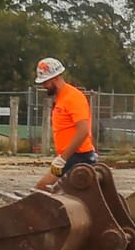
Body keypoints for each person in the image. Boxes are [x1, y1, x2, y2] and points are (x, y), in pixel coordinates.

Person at [35, 56, 96, 190]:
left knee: (41, 190)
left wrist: (63, 159)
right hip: (69, 157)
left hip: (78, 157)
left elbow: (83, 130)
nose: (44, 86)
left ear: (56, 78)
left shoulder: (73, 98)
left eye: (46, 82)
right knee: (52, 192)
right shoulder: (61, 99)